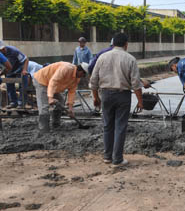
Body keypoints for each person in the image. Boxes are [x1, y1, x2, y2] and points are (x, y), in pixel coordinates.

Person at [90, 33, 143, 166]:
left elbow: (93, 81)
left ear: (113, 44)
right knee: (120, 126)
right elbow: (136, 84)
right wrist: (140, 101)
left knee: (107, 126)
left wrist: (96, 97)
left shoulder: (102, 57)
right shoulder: (130, 59)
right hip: (122, 95)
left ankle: (107, 156)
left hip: (106, 94)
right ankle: (117, 159)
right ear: (126, 44)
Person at [33, 62, 89, 132]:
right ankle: (44, 129)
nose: (83, 77)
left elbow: (71, 92)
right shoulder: (66, 68)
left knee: (60, 101)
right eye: (83, 75)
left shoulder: (77, 78)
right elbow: (53, 81)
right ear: (80, 71)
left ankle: (56, 125)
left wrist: (70, 108)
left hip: (53, 86)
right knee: (44, 107)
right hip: (42, 81)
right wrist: (50, 98)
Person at [0, 42, 29, 108]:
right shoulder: (1, 54)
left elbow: (26, 59)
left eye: (2, 49)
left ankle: (21, 103)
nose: (2, 51)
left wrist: (24, 70)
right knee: (9, 85)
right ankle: (13, 102)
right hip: (9, 70)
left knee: (23, 86)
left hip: (20, 68)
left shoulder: (14, 51)